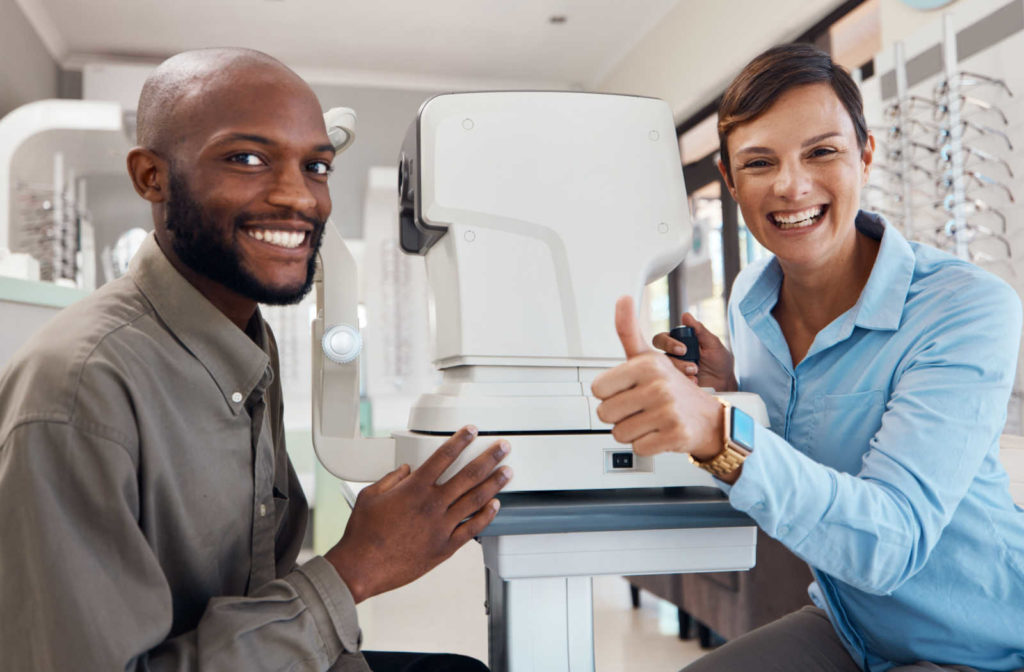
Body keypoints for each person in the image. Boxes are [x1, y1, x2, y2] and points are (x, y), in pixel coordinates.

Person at [0, 48, 512, 672]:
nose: (299, 197)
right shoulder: (80, 392)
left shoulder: (243, 337)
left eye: (316, 165)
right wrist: (356, 569)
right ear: (150, 177)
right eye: (246, 158)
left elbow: (251, 590)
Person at [592, 43, 1024, 671]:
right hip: (854, 629)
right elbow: (797, 441)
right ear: (730, 180)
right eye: (760, 162)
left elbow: (892, 542)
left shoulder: (964, 306)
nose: (791, 186)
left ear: (865, 155)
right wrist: (730, 393)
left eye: (821, 151)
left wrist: (721, 432)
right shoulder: (748, 301)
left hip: (990, 644)